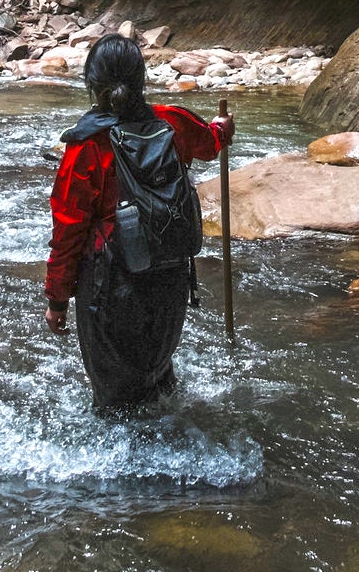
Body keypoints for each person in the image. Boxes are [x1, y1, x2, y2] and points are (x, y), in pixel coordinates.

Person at [45, 34, 234, 409]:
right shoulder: (173, 122)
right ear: (140, 79)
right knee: (160, 381)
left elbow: (68, 229)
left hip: (111, 285)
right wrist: (222, 127)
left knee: (116, 406)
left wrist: (57, 299)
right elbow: (211, 142)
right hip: (171, 275)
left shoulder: (87, 145)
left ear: (93, 83)